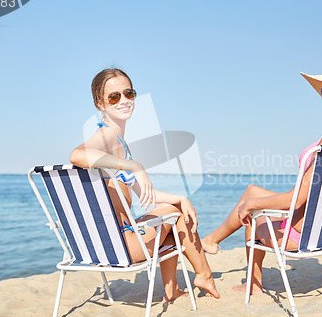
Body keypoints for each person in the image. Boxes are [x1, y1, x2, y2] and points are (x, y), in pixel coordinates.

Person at [201, 60, 322, 294]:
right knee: (252, 190)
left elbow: (299, 198)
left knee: (251, 209)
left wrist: (252, 206)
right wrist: (253, 200)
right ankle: (212, 240)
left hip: (303, 237)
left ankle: (252, 284)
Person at [70, 68, 220, 301]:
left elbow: (145, 194)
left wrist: (180, 197)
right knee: (177, 214)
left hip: (104, 248)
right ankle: (204, 275)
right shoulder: (108, 135)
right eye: (114, 96)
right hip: (122, 248)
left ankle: (172, 289)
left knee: (173, 213)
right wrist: (136, 166)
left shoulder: (117, 143)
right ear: (100, 104)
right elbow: (77, 155)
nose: (124, 100)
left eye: (128, 93)